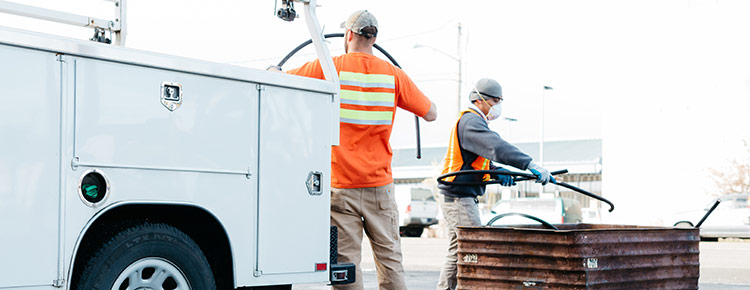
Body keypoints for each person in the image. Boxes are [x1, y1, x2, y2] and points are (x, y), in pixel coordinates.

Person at [286, 10, 437, 290]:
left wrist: (273, 70)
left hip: (341, 186)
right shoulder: (393, 74)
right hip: (379, 185)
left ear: (349, 35)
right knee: (390, 260)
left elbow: (283, 81)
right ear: (374, 38)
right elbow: (430, 114)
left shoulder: (331, 67)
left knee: (346, 266)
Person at [436, 78, 555, 290]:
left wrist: (497, 171)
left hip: (457, 195)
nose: (497, 106)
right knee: (473, 248)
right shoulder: (471, 122)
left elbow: (477, 160)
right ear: (479, 100)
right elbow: (496, 146)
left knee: (459, 250)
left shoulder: (473, 122)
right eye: (495, 101)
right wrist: (529, 163)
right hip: (458, 197)